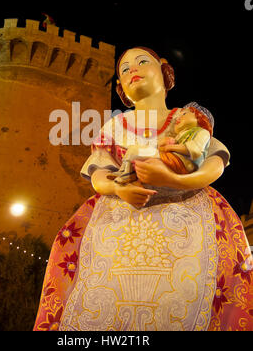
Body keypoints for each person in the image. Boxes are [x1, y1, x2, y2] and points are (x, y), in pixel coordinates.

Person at [33, 47, 253, 331]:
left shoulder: (186, 118)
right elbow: (99, 174)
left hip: (189, 219)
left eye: (141, 62)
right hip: (119, 222)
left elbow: (214, 163)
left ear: (164, 70)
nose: (132, 70)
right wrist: (118, 190)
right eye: (124, 69)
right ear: (119, 87)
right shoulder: (115, 126)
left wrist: (174, 180)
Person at [106, 102, 214, 184]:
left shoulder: (202, 133)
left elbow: (195, 150)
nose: (178, 117)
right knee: (135, 149)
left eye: (184, 114)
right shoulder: (182, 134)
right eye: (179, 115)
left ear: (199, 117)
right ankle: (125, 171)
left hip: (183, 163)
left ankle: (128, 172)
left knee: (140, 154)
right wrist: (163, 143)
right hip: (173, 158)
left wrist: (171, 147)